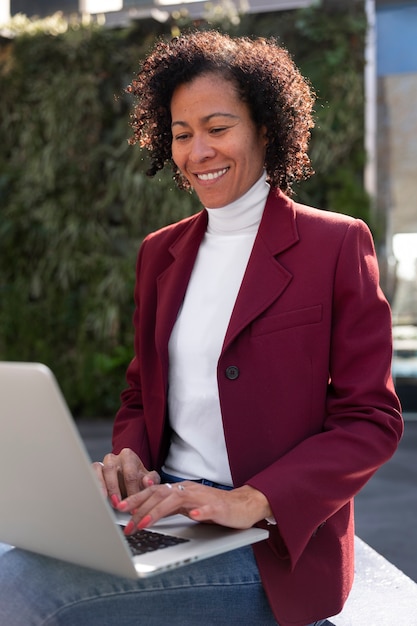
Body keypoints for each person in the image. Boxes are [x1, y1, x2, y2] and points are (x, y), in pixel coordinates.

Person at [0, 30, 402, 626]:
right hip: (166, 512)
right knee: (19, 564)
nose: (198, 151)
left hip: (269, 545)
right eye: (182, 135)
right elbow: (141, 392)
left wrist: (250, 500)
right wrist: (130, 455)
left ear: (265, 128)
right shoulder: (161, 254)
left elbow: (370, 420)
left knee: (27, 589)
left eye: (218, 128)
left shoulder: (335, 244)